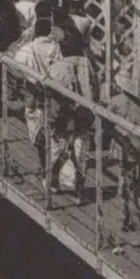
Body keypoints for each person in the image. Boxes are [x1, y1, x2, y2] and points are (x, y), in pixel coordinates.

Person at [106, 65, 140, 250]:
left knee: (130, 193)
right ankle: (125, 220)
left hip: (126, 151)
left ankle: (139, 233)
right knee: (129, 188)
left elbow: (107, 127)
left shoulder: (115, 101)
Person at [14, 19, 64, 173]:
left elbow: (16, 69)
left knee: (35, 128)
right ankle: (49, 164)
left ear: (35, 31)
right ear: (49, 31)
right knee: (51, 128)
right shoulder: (55, 48)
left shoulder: (26, 49)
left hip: (32, 93)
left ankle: (43, 161)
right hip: (51, 94)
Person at [47, 49, 97, 198]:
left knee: (61, 152)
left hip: (68, 119)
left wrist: (53, 124)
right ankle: (78, 191)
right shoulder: (85, 65)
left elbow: (56, 108)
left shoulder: (59, 71)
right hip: (82, 116)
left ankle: (55, 183)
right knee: (79, 154)